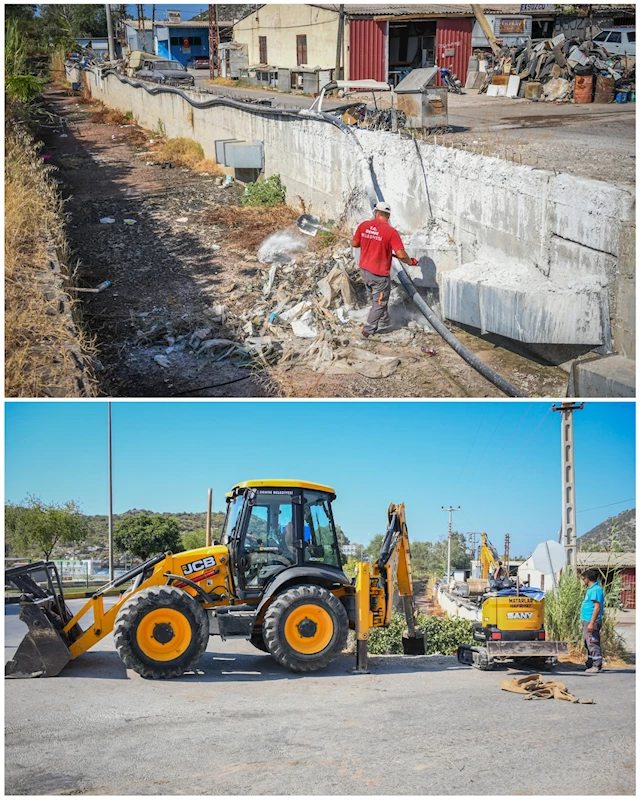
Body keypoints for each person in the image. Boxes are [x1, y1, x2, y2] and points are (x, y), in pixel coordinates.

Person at [352, 202, 418, 338]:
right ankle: (368, 331)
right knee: (379, 302)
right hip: (379, 275)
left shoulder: (363, 226)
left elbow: (355, 244)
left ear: (376, 213)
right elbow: (400, 254)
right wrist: (410, 261)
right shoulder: (391, 232)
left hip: (365, 271)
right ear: (388, 215)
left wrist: (368, 240)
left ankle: (384, 320)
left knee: (376, 298)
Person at [580, 568, 605, 673]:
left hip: (591, 621)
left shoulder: (595, 590)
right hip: (587, 620)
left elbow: (597, 607)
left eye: (583, 579)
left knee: (592, 642)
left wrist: (591, 623)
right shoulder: (591, 589)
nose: (583, 581)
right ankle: (590, 663)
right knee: (588, 643)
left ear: (587, 579)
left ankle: (597, 665)